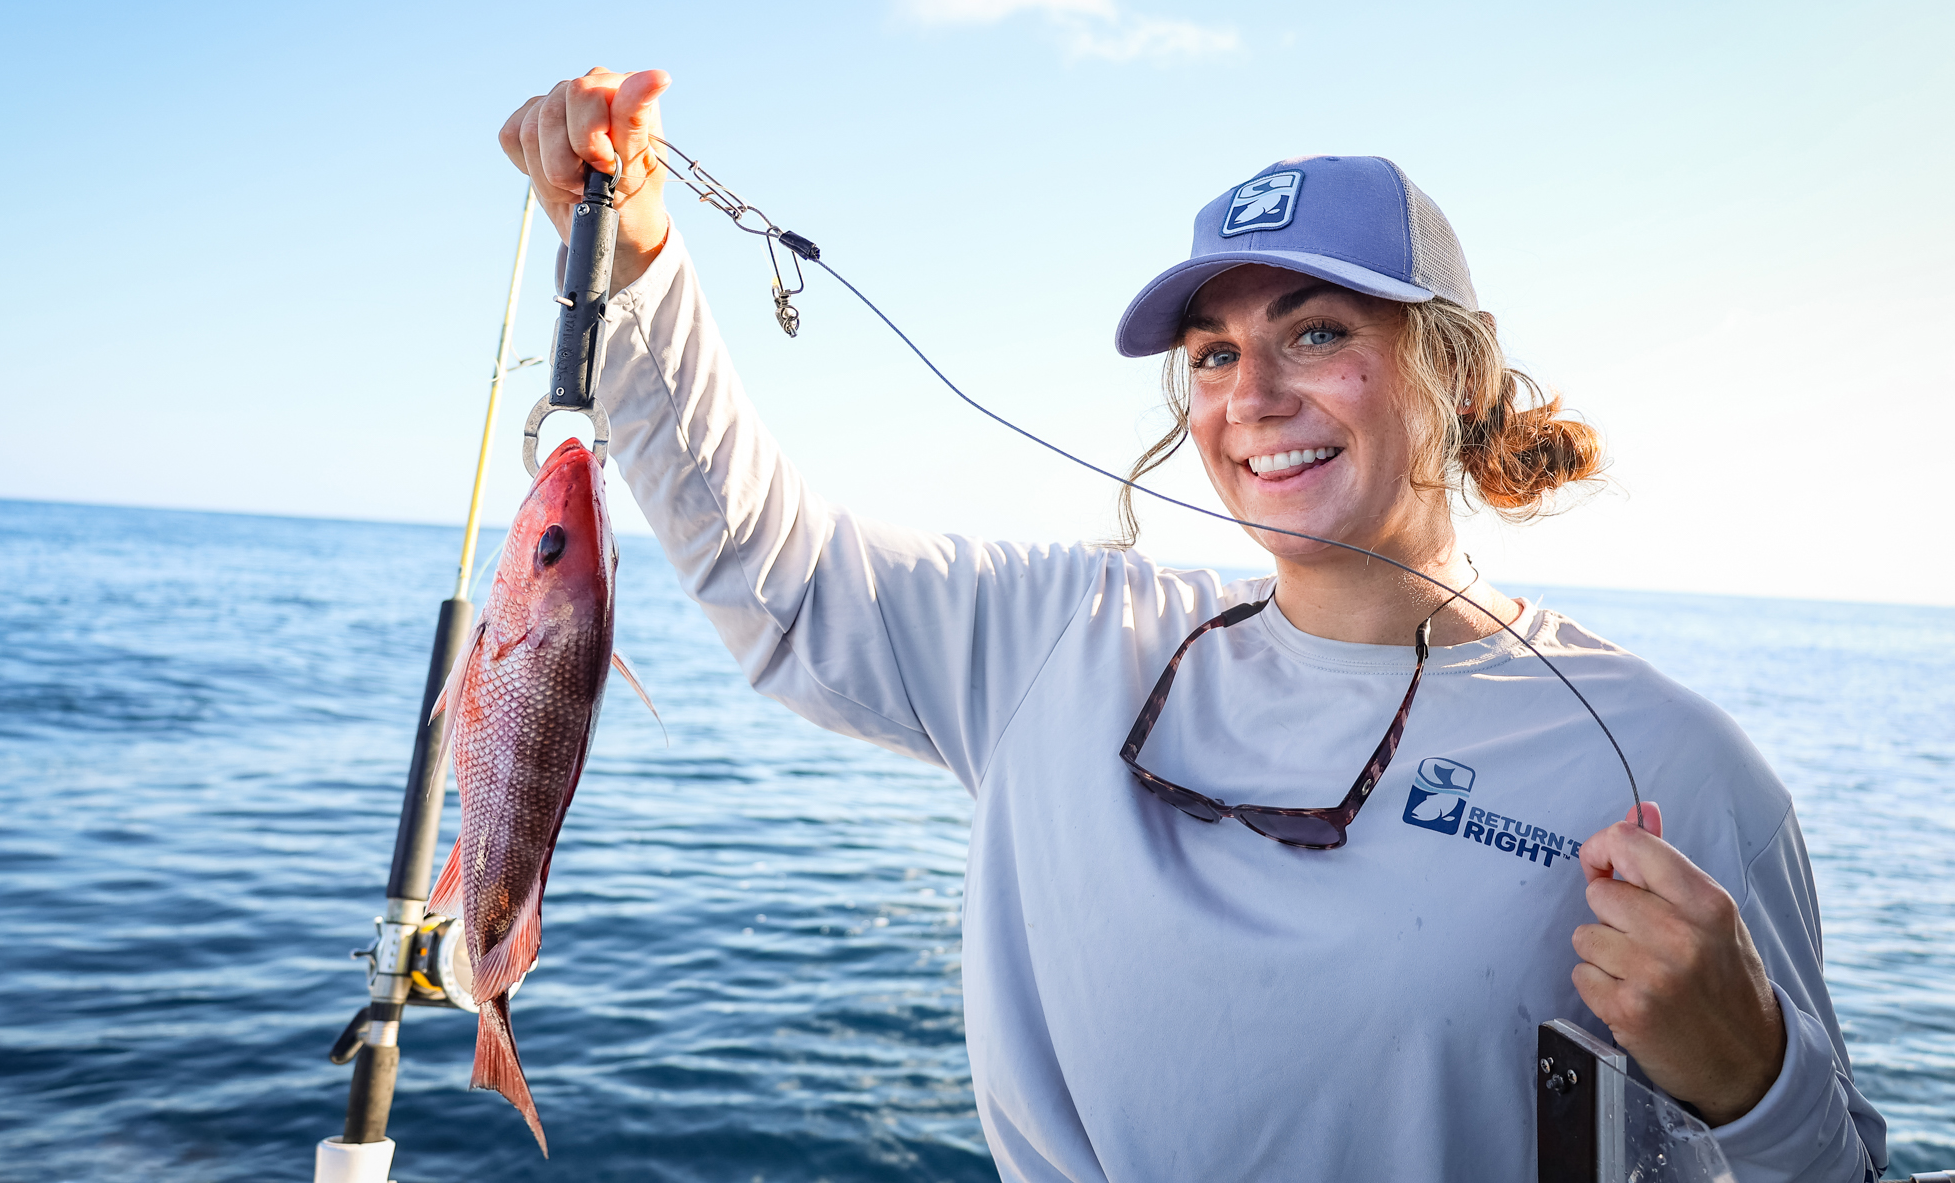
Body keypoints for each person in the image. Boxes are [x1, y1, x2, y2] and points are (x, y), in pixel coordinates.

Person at [499, 67, 1886, 1183]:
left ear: (1455, 370)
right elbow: (774, 571)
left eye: (1317, 332)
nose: (1253, 394)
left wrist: (1762, 1079)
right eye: (1214, 353)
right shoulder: (1064, 636)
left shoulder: (1677, 772)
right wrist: (639, 271)